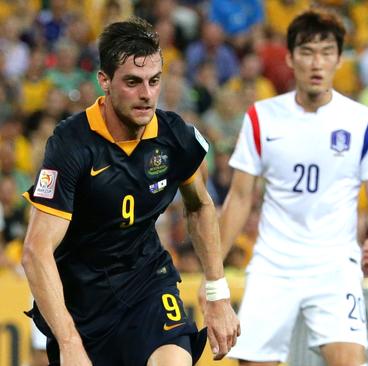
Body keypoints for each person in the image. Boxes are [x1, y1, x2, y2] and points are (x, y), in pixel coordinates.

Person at [21, 17, 239, 366]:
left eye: (154, 82)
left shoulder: (174, 137)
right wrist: (69, 341)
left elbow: (199, 206)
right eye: (133, 82)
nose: (147, 94)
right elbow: (36, 249)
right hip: (81, 302)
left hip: (147, 284)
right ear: (104, 81)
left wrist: (217, 293)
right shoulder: (72, 144)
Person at [220, 9, 368, 366]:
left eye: (326, 52)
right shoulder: (261, 117)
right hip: (273, 263)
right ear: (289, 57)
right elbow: (239, 197)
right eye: (308, 51)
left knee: (349, 361)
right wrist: (213, 272)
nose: (317, 62)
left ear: (339, 60)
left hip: (334, 264)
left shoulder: (366, 124)